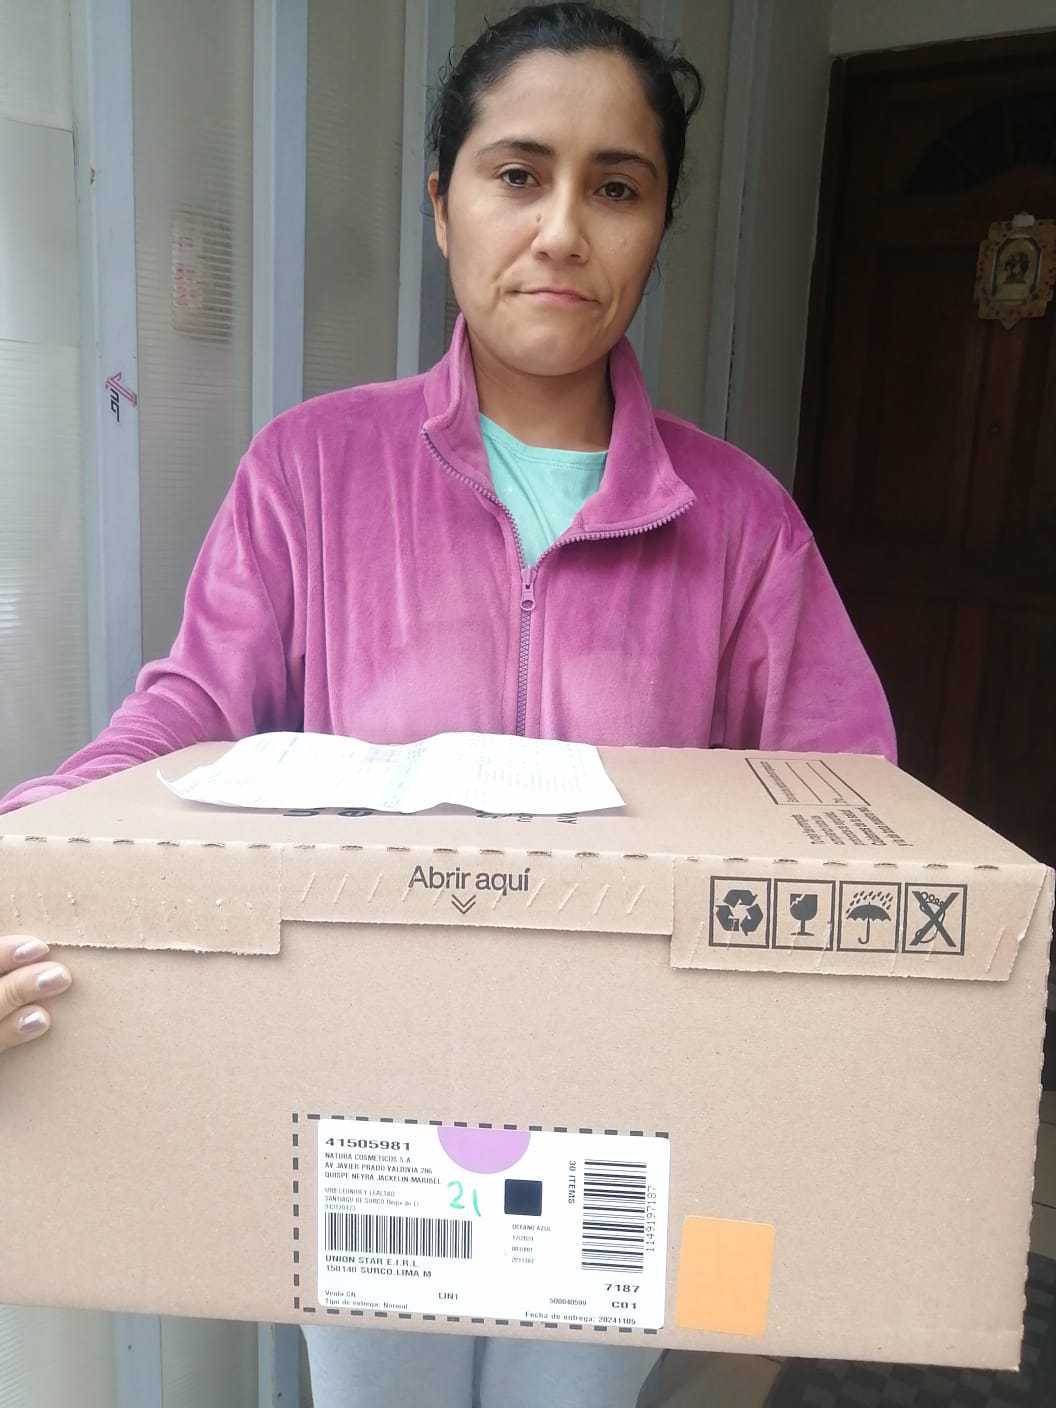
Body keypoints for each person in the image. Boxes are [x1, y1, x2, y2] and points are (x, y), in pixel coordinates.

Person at [0, 4, 896, 1404]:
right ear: (442, 202)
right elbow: (181, 720)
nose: (561, 231)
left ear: (660, 225)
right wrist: (24, 861)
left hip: (624, 1117)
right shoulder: (312, 469)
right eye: (517, 173)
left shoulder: (741, 526)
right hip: (367, 1104)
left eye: (617, 188)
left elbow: (847, 805)